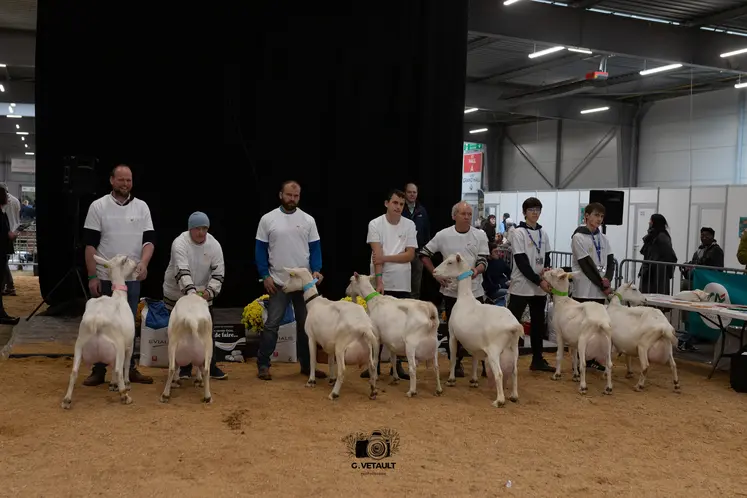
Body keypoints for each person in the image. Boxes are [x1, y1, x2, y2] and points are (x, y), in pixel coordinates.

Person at [82, 164, 155, 386]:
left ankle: (129, 368)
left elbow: (149, 242)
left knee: (128, 326)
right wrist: (92, 276)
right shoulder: (98, 206)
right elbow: (89, 246)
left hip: (131, 280)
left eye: (129, 180)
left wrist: (143, 263)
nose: (125, 184)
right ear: (112, 180)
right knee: (102, 325)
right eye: (121, 180)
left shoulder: (142, 207)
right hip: (105, 278)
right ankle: (99, 369)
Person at [254, 180, 326, 381]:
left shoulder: (308, 220)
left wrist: (317, 270)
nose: (292, 199)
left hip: (304, 284)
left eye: (296, 196)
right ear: (280, 195)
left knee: (307, 326)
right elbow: (260, 250)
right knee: (272, 324)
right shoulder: (268, 219)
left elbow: (315, 248)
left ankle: (307, 366)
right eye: (288, 195)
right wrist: (264, 276)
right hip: (277, 282)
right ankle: (263, 365)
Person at [420, 201, 490, 378]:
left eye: (469, 214)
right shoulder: (443, 235)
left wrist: (476, 270)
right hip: (452, 293)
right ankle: (456, 364)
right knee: (455, 330)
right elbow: (424, 254)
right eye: (463, 214)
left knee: (481, 329)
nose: (467, 217)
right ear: (454, 216)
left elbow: (484, 260)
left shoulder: (480, 235)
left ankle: (485, 363)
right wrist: (436, 275)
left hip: (475, 292)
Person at [163, 211, 227, 380]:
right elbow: (181, 271)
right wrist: (192, 294)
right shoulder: (179, 244)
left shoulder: (214, 245)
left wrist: (209, 292)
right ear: (190, 229)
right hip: (178, 294)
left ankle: (208, 366)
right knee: (177, 332)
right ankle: (181, 369)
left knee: (206, 331)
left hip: (203, 296)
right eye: (197, 228)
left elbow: (218, 272)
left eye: (204, 228)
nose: (201, 232)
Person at [362, 188, 418, 379]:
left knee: (400, 327)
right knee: (376, 326)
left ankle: (398, 367)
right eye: (395, 203)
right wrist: (379, 281)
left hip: (402, 282)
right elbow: (376, 256)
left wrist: (385, 257)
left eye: (401, 204)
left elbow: (409, 255)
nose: (398, 207)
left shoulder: (409, 225)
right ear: (387, 203)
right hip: (382, 282)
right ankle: (373, 366)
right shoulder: (375, 224)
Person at [507, 197, 555, 372]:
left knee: (537, 324)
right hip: (522, 284)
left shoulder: (543, 233)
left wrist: (546, 271)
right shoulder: (518, 232)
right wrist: (539, 280)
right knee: (511, 322)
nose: (535, 212)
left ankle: (537, 359)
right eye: (531, 209)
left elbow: (547, 256)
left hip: (538, 287)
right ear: (524, 212)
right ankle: (504, 357)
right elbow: (521, 261)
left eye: (538, 209)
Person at [570, 202, 615, 372]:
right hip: (585, 287)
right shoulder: (578, 237)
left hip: (600, 288)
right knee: (584, 325)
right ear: (586, 216)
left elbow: (611, 260)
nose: (599, 219)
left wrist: (608, 280)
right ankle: (581, 359)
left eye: (601, 216)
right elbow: (585, 264)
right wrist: (601, 283)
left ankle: (594, 358)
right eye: (596, 215)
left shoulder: (603, 238)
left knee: (597, 326)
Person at [679, 227, 724, 352]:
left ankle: (692, 337)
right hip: (694, 285)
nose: (703, 238)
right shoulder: (699, 250)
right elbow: (694, 263)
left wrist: (699, 268)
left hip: (707, 287)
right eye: (702, 235)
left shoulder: (717, 251)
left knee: (700, 313)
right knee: (688, 312)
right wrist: (686, 267)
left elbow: (718, 269)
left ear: (712, 237)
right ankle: (689, 335)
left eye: (706, 236)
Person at [401, 182, 430, 300]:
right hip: (402, 253)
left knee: (416, 285)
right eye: (409, 192)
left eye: (414, 192)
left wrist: (424, 251)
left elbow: (426, 231)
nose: (412, 194)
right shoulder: (400, 208)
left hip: (417, 253)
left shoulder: (422, 211)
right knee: (402, 283)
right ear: (405, 193)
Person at [639, 214, 677, 295]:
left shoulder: (662, 237)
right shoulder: (652, 235)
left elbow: (669, 255)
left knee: (657, 294)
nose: (649, 222)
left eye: (651, 220)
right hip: (649, 270)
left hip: (658, 272)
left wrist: (667, 271)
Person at [0, 183, 20, 296]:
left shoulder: (3, 203)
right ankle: (6, 286)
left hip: (6, 232)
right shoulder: (16, 200)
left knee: (3, 262)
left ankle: (9, 286)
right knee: (4, 260)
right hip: (14, 231)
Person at [482, 242, 510, 306]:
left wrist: (512, 281)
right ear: (489, 253)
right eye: (495, 252)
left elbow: (508, 271)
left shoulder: (499, 261)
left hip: (504, 285)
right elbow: (488, 286)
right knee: (510, 294)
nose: (498, 253)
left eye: (498, 251)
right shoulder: (486, 266)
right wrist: (503, 284)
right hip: (493, 290)